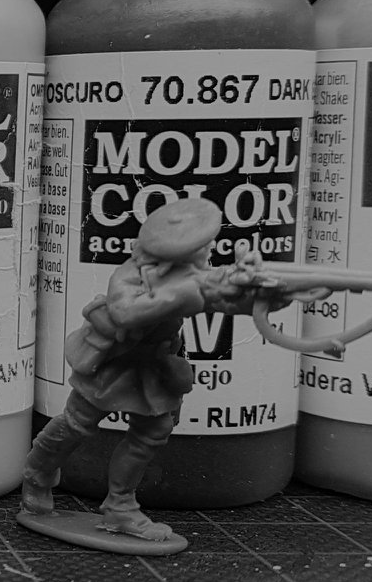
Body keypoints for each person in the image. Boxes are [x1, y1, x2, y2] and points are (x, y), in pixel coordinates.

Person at [21, 196, 266, 543]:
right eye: (202, 247)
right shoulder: (131, 274)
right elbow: (126, 313)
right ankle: (37, 472)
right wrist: (187, 292)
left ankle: (120, 507)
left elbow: (231, 301)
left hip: (155, 367)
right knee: (77, 423)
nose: (207, 253)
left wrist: (255, 286)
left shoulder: (191, 275)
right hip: (115, 364)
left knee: (152, 432)